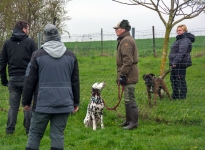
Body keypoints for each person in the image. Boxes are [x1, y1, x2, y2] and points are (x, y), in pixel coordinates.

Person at [22, 24, 80, 150]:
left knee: (35, 134)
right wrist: (75, 102)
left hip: (42, 102)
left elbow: (29, 80)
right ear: (58, 36)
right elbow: (75, 81)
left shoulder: (37, 55)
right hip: (64, 102)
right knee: (58, 135)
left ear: (45, 38)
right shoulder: (71, 56)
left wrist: (26, 101)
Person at [0, 20, 37, 134]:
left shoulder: (7, 43)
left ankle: (9, 130)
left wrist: (4, 79)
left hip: (13, 78)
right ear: (24, 29)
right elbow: (36, 61)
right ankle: (29, 130)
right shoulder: (30, 42)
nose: (28, 31)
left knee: (13, 106)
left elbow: (2, 62)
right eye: (28, 28)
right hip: (27, 79)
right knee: (27, 105)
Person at [113, 20, 139, 130]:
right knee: (127, 98)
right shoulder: (125, 40)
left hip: (129, 74)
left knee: (130, 98)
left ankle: (133, 123)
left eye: (117, 29)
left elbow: (128, 61)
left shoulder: (126, 41)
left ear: (123, 30)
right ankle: (128, 121)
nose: (115, 31)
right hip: (128, 73)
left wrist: (122, 75)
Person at [169, 24, 195, 99]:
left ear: (185, 31)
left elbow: (181, 53)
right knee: (173, 79)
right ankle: (175, 95)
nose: (178, 32)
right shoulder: (179, 39)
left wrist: (175, 62)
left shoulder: (185, 40)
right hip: (175, 63)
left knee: (180, 79)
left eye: (180, 30)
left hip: (180, 63)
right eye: (177, 30)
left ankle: (182, 96)